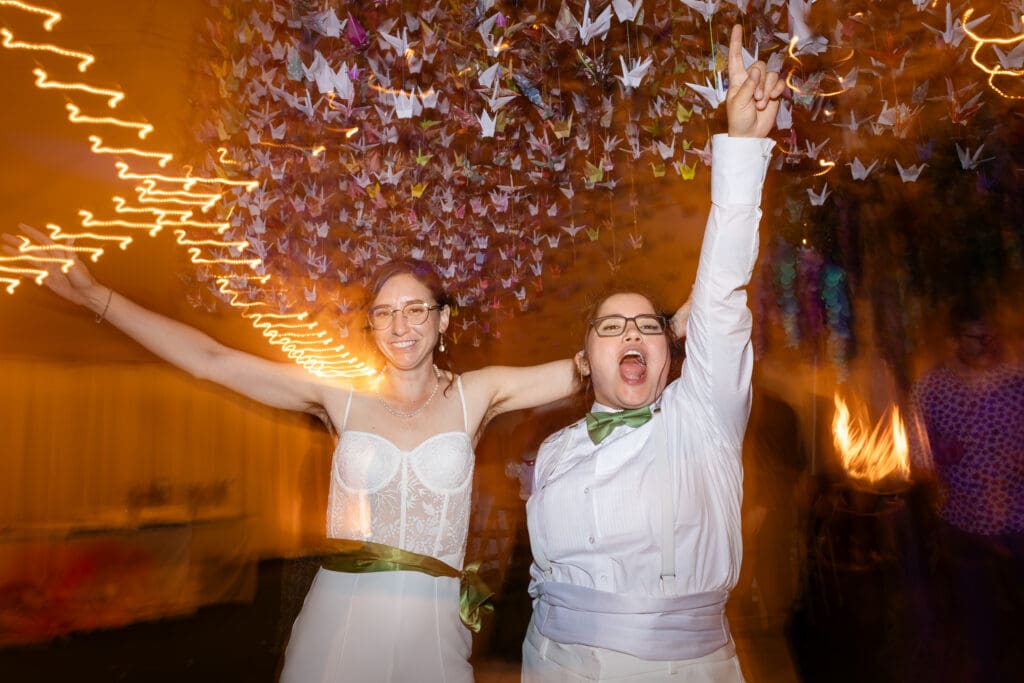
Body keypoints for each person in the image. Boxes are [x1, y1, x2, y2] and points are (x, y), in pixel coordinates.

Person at [0, 231, 578, 682]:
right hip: (343, 611)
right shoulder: (339, 399)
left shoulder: (477, 394)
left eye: (416, 309)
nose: (400, 325)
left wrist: (660, 330)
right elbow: (210, 360)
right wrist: (93, 293)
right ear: (371, 325)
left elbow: (583, 369)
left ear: (444, 319)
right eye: (384, 312)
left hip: (434, 620)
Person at [522, 25, 783, 681]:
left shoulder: (704, 420)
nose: (632, 334)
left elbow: (721, 291)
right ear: (585, 361)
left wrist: (744, 144)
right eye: (611, 328)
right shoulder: (553, 453)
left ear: (671, 353)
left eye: (645, 324)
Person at [909, 298, 1024, 683]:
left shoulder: (1016, 380)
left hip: (1019, 519)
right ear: (954, 340)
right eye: (977, 337)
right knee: (978, 615)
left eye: (992, 336)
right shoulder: (932, 389)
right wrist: (937, 456)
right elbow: (915, 455)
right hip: (963, 521)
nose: (988, 344)